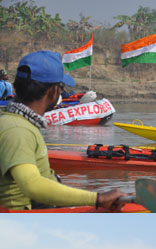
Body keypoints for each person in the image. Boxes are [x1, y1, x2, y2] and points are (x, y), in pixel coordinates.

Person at [0, 51, 128, 211]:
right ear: (53, 91)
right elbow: (31, 185)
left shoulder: (19, 122)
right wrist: (97, 198)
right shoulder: (17, 129)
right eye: (61, 87)